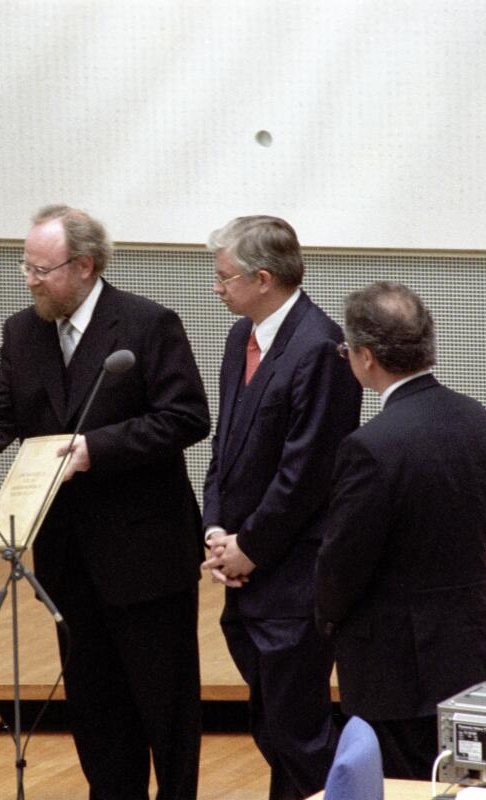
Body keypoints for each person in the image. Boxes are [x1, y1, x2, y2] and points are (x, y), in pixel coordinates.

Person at [0, 205, 210, 799]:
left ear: (85, 266)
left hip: (146, 556)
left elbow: (187, 417)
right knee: (95, 706)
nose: (30, 280)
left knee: (164, 707)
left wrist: (95, 449)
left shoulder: (146, 325)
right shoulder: (22, 330)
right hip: (68, 556)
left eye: (42, 269)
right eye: (26, 267)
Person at [315, 281, 486, 778]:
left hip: (395, 668)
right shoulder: (475, 417)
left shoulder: (369, 446)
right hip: (473, 648)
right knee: (471, 786)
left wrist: (324, 616)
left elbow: (344, 562)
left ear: (365, 357)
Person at [200, 216, 362, 800]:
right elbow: (225, 447)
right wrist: (216, 529)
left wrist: (249, 548)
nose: (215, 288)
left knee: (301, 735)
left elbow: (307, 475)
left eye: (223, 278)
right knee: (272, 727)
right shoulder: (238, 336)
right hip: (245, 570)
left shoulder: (319, 348)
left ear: (262, 278)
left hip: (292, 577)